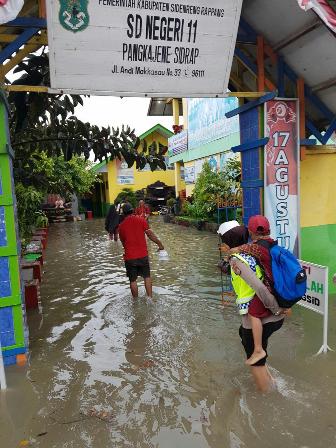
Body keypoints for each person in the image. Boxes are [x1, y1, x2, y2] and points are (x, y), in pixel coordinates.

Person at [219, 219, 287, 391]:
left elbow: (258, 287)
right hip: (270, 315)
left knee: (255, 360)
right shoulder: (253, 253)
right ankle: (273, 384)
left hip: (260, 315)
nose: (221, 246)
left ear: (228, 241)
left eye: (223, 241)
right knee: (256, 350)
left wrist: (277, 309)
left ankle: (266, 400)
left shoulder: (238, 260)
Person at [118, 202, 164, 299]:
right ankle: (150, 299)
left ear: (123, 213)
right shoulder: (141, 220)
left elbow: (123, 242)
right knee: (147, 277)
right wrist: (160, 244)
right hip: (143, 255)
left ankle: (135, 302)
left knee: (133, 280)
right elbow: (150, 235)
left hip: (130, 257)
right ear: (133, 210)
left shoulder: (121, 226)